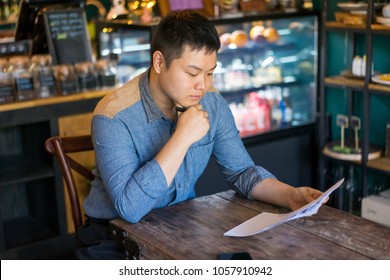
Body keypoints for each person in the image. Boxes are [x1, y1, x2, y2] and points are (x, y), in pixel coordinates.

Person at [76, 10, 326, 259]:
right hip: (112, 236)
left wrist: (289, 196)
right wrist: (183, 136)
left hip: (179, 223)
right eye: (192, 73)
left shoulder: (211, 102)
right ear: (160, 62)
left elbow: (242, 172)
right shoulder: (113, 115)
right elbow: (130, 209)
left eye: (210, 73)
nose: (203, 85)